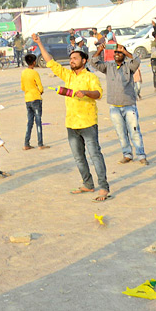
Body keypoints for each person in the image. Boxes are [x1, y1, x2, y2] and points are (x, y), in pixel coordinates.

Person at [32, 35, 110, 202]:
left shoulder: (91, 77)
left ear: (84, 60)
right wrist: (39, 42)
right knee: (78, 156)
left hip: (88, 123)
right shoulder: (68, 76)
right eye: (71, 58)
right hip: (71, 123)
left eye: (75, 58)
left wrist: (86, 93)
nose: (72, 60)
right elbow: (50, 62)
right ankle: (88, 184)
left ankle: (103, 186)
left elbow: (98, 94)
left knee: (95, 154)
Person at [92, 44, 148, 165]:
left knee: (134, 132)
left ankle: (141, 155)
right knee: (121, 133)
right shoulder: (109, 66)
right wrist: (100, 50)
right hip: (114, 106)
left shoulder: (129, 66)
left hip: (129, 105)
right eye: (116, 52)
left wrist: (126, 51)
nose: (117, 54)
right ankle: (127, 154)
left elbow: (137, 61)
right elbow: (94, 62)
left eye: (120, 52)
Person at [19, 53, 47, 150]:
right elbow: (40, 87)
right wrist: (40, 91)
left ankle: (26, 143)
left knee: (30, 122)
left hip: (28, 98)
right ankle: (40, 143)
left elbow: (22, 87)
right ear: (34, 62)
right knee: (38, 121)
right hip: (36, 98)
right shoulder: (35, 73)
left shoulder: (23, 73)